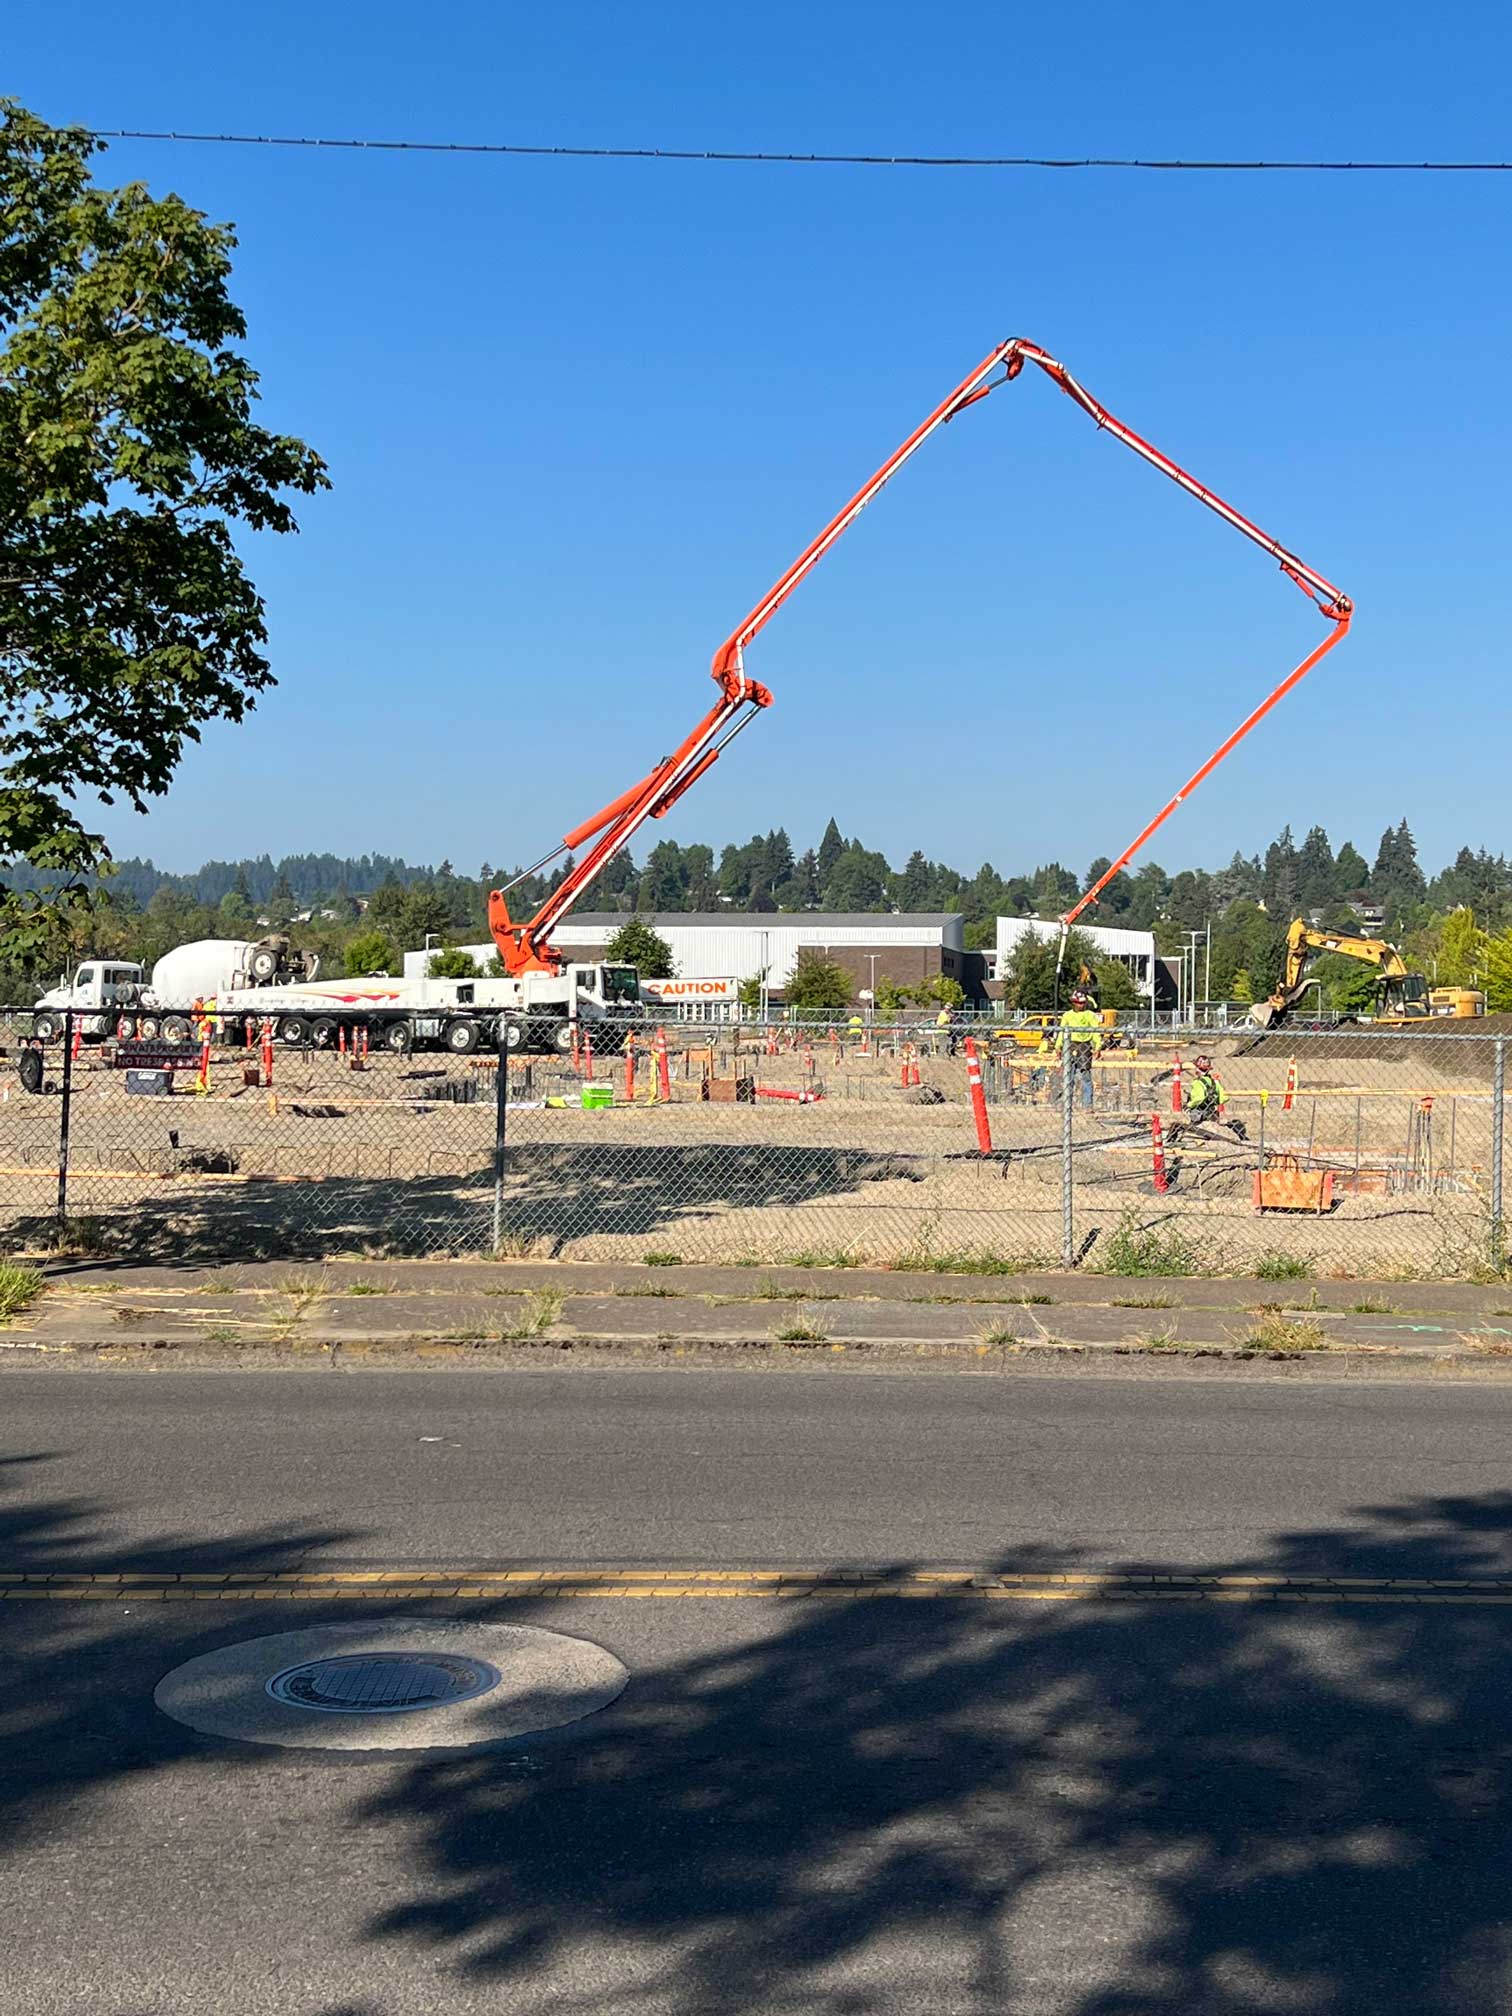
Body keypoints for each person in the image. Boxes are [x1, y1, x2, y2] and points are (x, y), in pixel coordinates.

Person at [1053, 989, 1103, 1109]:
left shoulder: (1090, 1016)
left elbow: (1095, 1032)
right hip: (1069, 1045)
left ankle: (1087, 1104)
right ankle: (1067, 1104)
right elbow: (1061, 1032)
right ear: (1073, 1003)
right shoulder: (1067, 1015)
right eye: (1077, 1002)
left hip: (1084, 1046)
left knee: (1085, 1074)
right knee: (1068, 1075)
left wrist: (1098, 1046)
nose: (1080, 1005)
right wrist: (1058, 1047)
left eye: (1082, 1003)